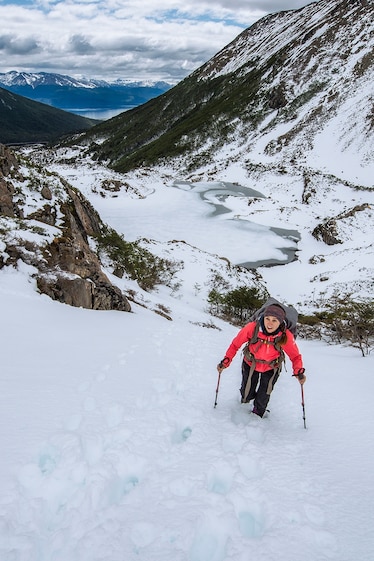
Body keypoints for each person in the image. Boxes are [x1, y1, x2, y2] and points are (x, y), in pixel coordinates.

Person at [217, 303, 305, 417]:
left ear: (280, 322)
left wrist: (298, 371)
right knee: (246, 391)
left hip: (272, 367)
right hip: (250, 362)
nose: (270, 323)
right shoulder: (252, 328)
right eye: (267, 318)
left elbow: (295, 356)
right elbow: (235, 344)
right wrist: (226, 360)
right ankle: (244, 406)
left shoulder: (285, 335)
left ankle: (257, 414)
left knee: (264, 394)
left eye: (274, 320)